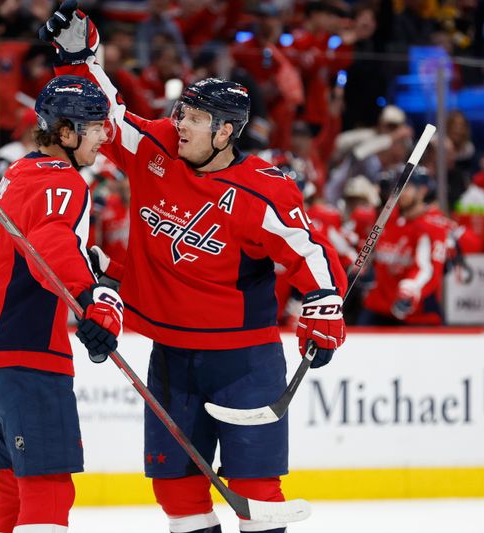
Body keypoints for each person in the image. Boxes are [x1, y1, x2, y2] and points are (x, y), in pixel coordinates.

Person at [40, 5, 347, 533]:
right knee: (176, 489)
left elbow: (308, 250)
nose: (180, 124)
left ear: (226, 132)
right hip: (172, 353)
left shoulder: (261, 188)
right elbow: (107, 117)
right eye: (181, 112)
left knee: (256, 492)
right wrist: (79, 57)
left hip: (244, 359)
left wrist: (323, 306)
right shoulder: (156, 146)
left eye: (195, 118)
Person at [0, 75, 123, 533]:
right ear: (65, 133)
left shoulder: (24, 171)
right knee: (48, 486)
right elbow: (48, 243)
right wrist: (93, 301)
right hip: (20, 345)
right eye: (95, 126)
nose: (104, 135)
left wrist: (91, 267)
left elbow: (41, 242)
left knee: (12, 487)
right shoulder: (61, 179)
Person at [357, 170, 449, 326]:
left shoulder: (431, 226)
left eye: (407, 187)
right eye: (398, 187)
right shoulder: (387, 219)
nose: (400, 192)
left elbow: (427, 269)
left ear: (422, 191)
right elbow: (372, 253)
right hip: (379, 306)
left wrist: (409, 290)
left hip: (414, 312)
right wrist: (363, 269)